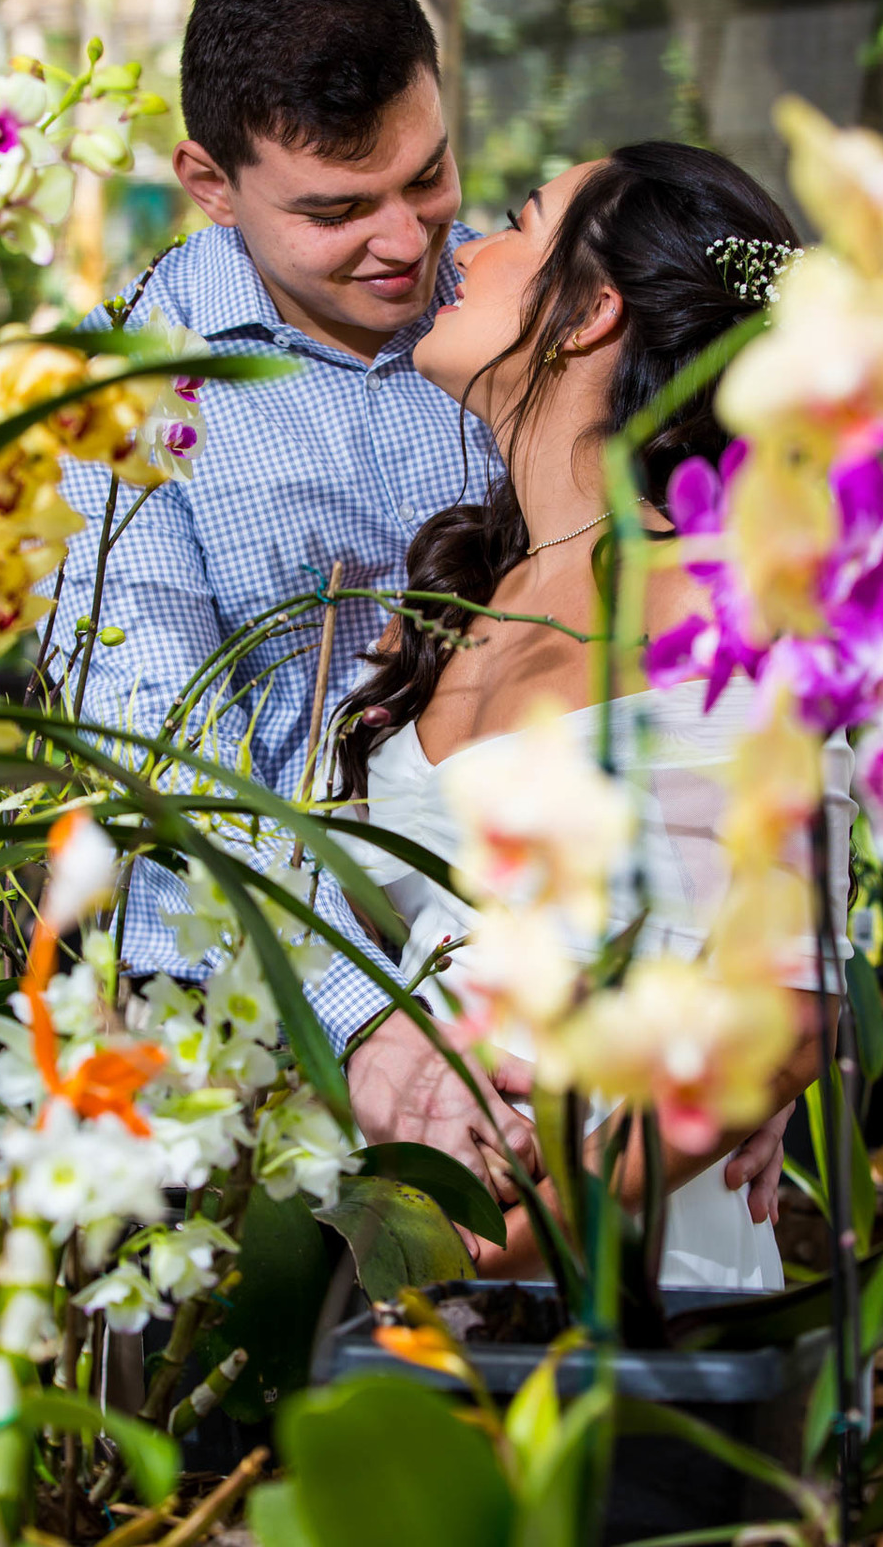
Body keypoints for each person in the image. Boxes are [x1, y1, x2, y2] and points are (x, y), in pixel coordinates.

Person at [55, 0, 789, 1242]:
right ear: (212, 185)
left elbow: (709, 759)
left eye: (431, 175)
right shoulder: (121, 406)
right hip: (237, 1045)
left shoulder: (515, 323)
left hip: (552, 1119)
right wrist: (366, 1015)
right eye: (339, 212)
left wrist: (758, 1027)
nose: (407, 243)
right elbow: (153, 736)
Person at [335, 142, 853, 1288]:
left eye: (521, 221)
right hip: (392, 1246)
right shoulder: (450, 594)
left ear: (590, 309)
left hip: (611, 1274)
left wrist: (500, 1246)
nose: (463, 245)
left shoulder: (730, 607)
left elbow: (784, 1017)